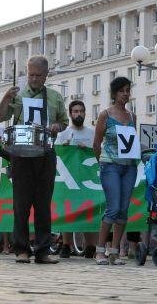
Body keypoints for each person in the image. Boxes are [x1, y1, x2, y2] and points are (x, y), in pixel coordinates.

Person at [0, 55, 68, 264]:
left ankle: (43, 250)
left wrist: (56, 127)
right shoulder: (17, 95)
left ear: (46, 75)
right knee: (21, 203)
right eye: (30, 74)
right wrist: (5, 99)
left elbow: (64, 121)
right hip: (21, 153)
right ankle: (21, 249)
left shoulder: (54, 97)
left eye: (38, 75)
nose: (33, 79)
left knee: (43, 204)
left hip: (45, 152)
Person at [92, 77, 140, 265]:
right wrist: (102, 163)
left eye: (128, 90)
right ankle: (100, 250)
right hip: (110, 165)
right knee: (112, 208)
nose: (125, 94)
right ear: (114, 94)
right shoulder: (105, 115)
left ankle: (115, 251)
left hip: (129, 166)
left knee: (123, 210)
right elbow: (96, 144)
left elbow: (132, 142)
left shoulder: (132, 116)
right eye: (121, 90)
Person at [54, 100, 98, 259]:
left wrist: (86, 149)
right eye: (75, 111)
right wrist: (64, 148)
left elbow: (99, 152)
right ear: (70, 114)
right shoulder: (62, 135)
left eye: (81, 111)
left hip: (88, 179)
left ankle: (91, 246)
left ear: (85, 113)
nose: (78, 114)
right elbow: (56, 155)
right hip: (69, 179)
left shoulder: (92, 133)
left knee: (88, 211)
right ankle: (66, 245)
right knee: (68, 211)